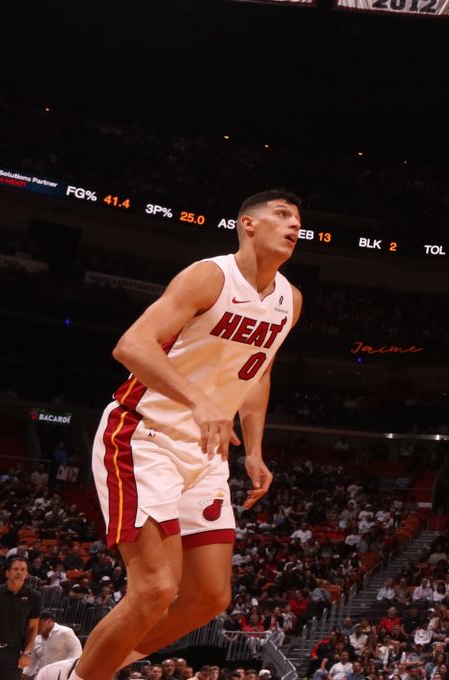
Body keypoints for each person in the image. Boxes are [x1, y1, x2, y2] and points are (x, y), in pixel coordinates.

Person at [43, 190, 304, 680]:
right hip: (144, 434)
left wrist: (255, 450)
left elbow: (258, 372)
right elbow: (132, 345)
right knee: (156, 587)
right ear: (248, 224)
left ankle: (84, 668)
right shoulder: (210, 275)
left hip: (204, 452)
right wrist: (199, 400)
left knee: (209, 596)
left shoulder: (290, 300)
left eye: (298, 219)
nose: (294, 225)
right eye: (282, 215)